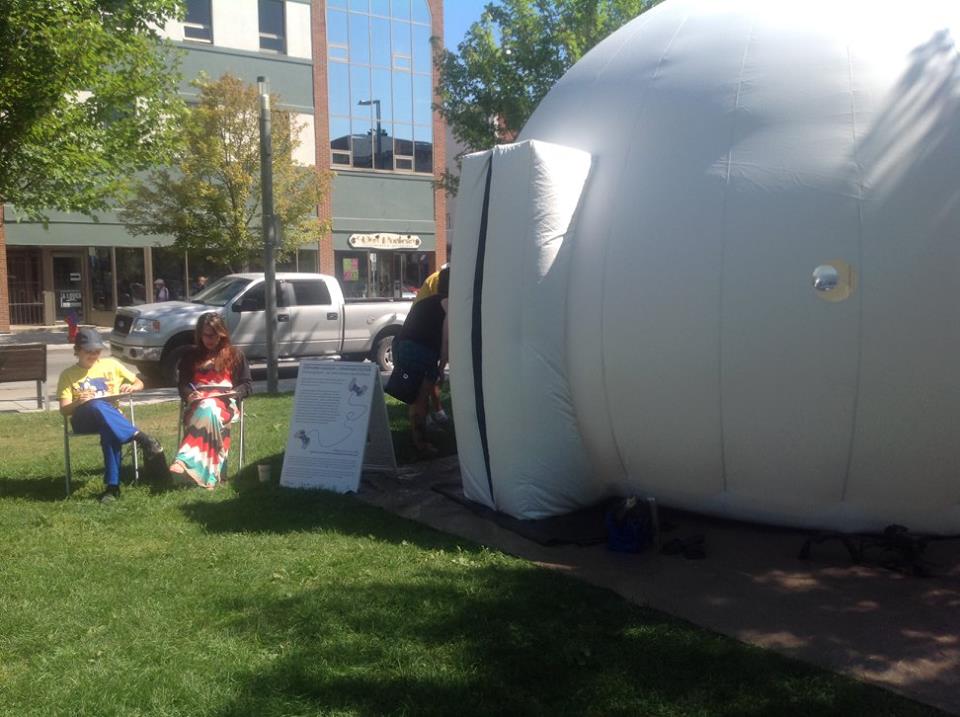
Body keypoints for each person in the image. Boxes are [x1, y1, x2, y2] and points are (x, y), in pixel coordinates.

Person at [58, 328, 164, 503]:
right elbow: (64, 410)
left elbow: (139, 382)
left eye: (97, 351)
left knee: (110, 430)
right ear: (77, 350)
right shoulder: (68, 375)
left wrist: (133, 387)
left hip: (112, 420)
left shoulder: (111, 365)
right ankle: (141, 438)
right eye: (88, 351)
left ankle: (112, 488)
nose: (93, 355)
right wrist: (80, 401)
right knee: (96, 404)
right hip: (83, 419)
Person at [170, 312, 252, 489]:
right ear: (200, 334)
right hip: (198, 404)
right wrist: (189, 395)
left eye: (215, 334)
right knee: (208, 407)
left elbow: (247, 385)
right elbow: (183, 384)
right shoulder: (190, 356)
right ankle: (212, 478)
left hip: (225, 403)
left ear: (222, 334)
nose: (211, 339)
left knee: (210, 406)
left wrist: (235, 393)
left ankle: (184, 460)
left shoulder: (235, 355)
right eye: (206, 334)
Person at [391, 267, 449, 455]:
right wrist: (441, 367)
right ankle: (422, 444)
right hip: (420, 350)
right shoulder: (448, 303)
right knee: (421, 399)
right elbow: (446, 340)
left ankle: (417, 438)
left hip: (401, 345)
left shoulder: (425, 302)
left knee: (415, 398)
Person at [413, 263, 451, 425]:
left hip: (418, 329)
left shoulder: (439, 278)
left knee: (429, 377)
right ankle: (425, 421)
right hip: (425, 333)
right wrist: (442, 365)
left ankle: (436, 412)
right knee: (426, 381)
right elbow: (445, 340)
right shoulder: (440, 288)